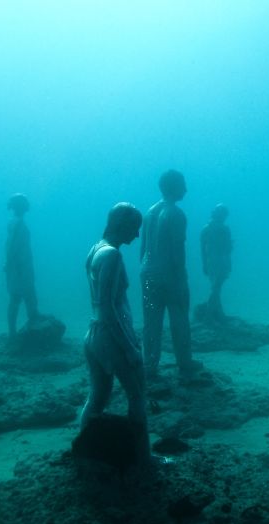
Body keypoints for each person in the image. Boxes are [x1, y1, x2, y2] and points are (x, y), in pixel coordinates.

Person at [82, 202, 150, 460]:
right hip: (111, 337)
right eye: (134, 228)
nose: (136, 235)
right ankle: (143, 458)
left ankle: (85, 454)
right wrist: (129, 347)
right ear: (122, 225)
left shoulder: (95, 250)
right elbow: (108, 308)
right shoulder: (112, 255)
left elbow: (100, 307)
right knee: (137, 395)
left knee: (97, 398)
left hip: (94, 335)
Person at [140, 169, 202, 379]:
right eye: (183, 184)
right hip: (169, 274)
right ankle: (184, 362)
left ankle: (149, 365)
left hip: (147, 273)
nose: (186, 189)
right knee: (179, 318)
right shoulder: (176, 214)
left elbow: (143, 249)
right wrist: (181, 277)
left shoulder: (149, 212)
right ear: (175, 187)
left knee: (151, 321)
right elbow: (178, 249)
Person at [4, 193, 41, 338]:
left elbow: (10, 245)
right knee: (19, 298)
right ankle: (15, 330)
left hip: (19, 266)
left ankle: (18, 328)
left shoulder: (13, 222)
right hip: (20, 267)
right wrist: (15, 266)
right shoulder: (18, 223)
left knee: (20, 297)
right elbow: (12, 246)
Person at [199, 204, 232, 321]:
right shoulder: (224, 229)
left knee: (216, 287)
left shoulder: (205, 229)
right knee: (216, 288)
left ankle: (217, 312)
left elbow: (202, 249)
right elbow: (227, 248)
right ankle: (209, 313)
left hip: (211, 261)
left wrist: (204, 264)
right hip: (219, 261)